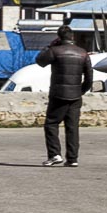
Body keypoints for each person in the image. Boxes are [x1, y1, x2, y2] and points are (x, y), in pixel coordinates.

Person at [35, 25, 92, 167]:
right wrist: (81, 90)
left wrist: (49, 46)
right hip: (75, 95)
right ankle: (73, 159)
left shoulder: (55, 51)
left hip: (58, 94)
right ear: (72, 37)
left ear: (59, 37)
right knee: (72, 127)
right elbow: (90, 77)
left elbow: (40, 61)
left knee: (51, 124)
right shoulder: (83, 53)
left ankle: (55, 155)